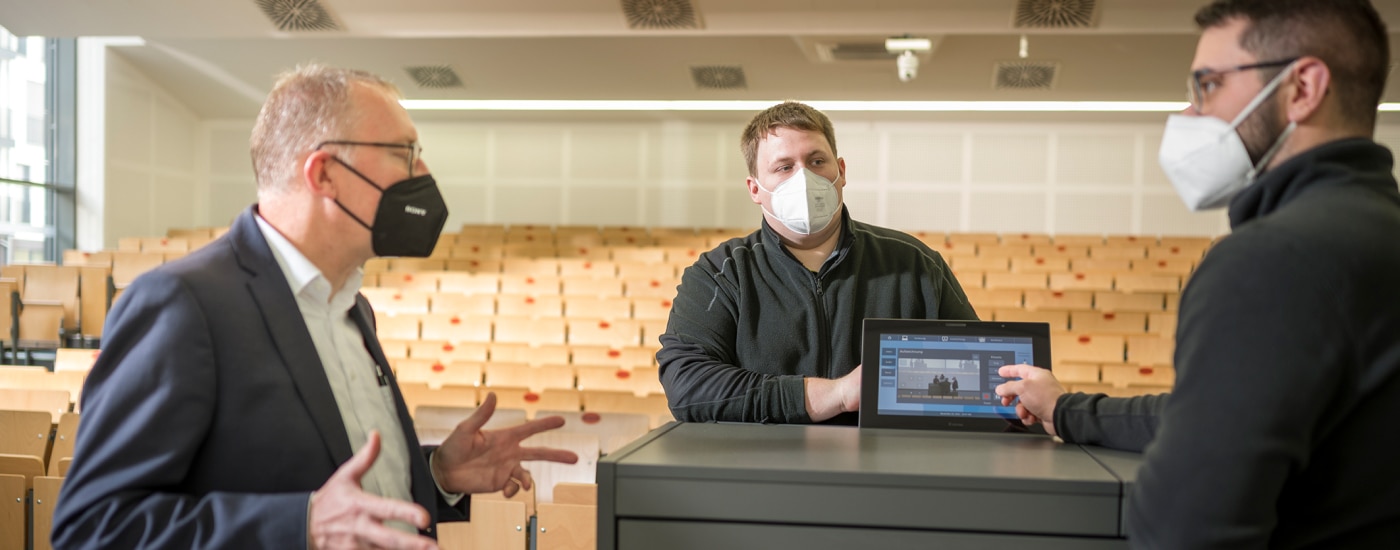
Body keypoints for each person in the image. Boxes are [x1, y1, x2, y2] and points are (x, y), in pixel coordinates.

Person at [53, 64, 579, 549]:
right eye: (404, 152)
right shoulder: (183, 303)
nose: (423, 171)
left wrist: (438, 475)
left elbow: (330, 472)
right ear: (324, 173)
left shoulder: (354, 308)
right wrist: (299, 525)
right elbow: (94, 525)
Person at [994, 0, 1400, 546]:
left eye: (1207, 86)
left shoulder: (1270, 261)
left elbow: (1186, 527)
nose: (1189, 115)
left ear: (1302, 87)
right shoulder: (1375, 234)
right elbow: (1212, 414)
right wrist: (1066, 410)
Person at [658, 101, 977, 425]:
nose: (805, 178)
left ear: (841, 171)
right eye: (784, 167)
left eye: (817, 161)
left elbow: (975, 373)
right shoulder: (720, 274)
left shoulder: (915, 264)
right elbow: (687, 384)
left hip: (887, 465)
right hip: (764, 468)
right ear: (755, 188)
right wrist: (831, 395)